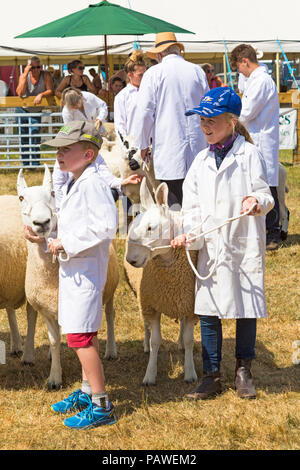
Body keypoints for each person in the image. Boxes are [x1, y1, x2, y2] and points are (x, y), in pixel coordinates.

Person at [171, 87, 274, 400]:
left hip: (242, 244)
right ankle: (211, 375)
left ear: (231, 122)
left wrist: (255, 200)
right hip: (212, 248)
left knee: (245, 307)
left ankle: (243, 371)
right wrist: (190, 234)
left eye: (211, 120)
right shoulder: (200, 161)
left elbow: (265, 194)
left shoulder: (250, 155)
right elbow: (191, 208)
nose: (205, 126)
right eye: (202, 119)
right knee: (208, 311)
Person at [32, 121, 118, 429]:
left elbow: (107, 225)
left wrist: (65, 242)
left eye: (66, 150)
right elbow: (75, 221)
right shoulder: (75, 180)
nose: (59, 155)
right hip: (74, 269)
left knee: (80, 337)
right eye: (58, 150)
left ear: (88, 154)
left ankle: (101, 405)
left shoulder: (93, 184)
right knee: (83, 332)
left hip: (86, 271)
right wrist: (47, 237)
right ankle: (86, 391)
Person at [134, 32, 209, 206]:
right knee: (199, 199)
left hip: (169, 147)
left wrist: (143, 144)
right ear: (178, 51)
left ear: (160, 54)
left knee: (174, 201)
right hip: (198, 145)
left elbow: (144, 112)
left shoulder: (154, 73)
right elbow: (207, 108)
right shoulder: (197, 71)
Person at [53, 87, 142, 206]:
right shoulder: (66, 113)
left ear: (80, 96)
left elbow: (103, 106)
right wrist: (60, 210)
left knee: (111, 189)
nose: (78, 107)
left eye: (78, 104)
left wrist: (100, 118)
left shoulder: (89, 97)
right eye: (74, 107)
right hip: (82, 140)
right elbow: (58, 186)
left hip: (98, 133)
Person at [230, 44, 280, 251]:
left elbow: (246, 112)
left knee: (268, 187)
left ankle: (274, 233)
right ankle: (268, 230)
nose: (239, 72)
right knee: (260, 184)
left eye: (238, 67)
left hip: (262, 140)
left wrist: (231, 117)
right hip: (257, 139)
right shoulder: (256, 80)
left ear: (244, 61)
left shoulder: (261, 81)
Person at [16, 56, 54, 166]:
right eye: (33, 67)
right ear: (28, 67)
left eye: (38, 67)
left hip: (36, 110)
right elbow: (20, 93)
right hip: (22, 109)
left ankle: (36, 163)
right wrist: (24, 75)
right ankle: (26, 163)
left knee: (35, 133)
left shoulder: (45, 74)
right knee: (24, 136)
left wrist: (41, 94)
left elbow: (50, 90)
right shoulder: (24, 76)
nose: (36, 69)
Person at [114, 50, 146, 143]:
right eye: (140, 75)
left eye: (145, 74)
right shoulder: (122, 96)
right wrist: (126, 147)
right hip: (133, 145)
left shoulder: (152, 91)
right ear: (130, 75)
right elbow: (120, 125)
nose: (144, 77)